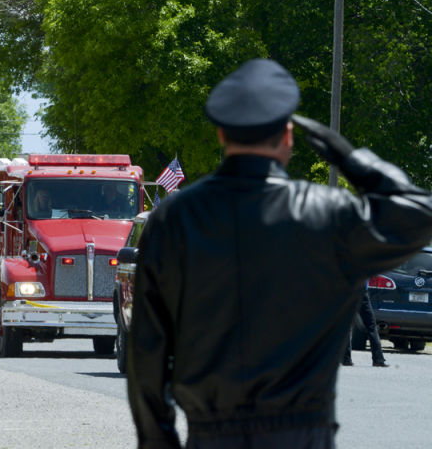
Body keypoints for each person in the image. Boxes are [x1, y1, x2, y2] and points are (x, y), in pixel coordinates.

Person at [127, 59, 432, 449]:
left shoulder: (174, 219)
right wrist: (351, 158)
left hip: (211, 435)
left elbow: (147, 353)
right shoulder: (330, 215)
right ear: (288, 136)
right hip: (302, 435)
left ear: (221, 133)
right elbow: (418, 214)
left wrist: (160, 442)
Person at [342, 287, 388, 367]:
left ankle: (346, 359)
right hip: (361, 291)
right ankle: (378, 359)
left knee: (346, 326)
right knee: (371, 326)